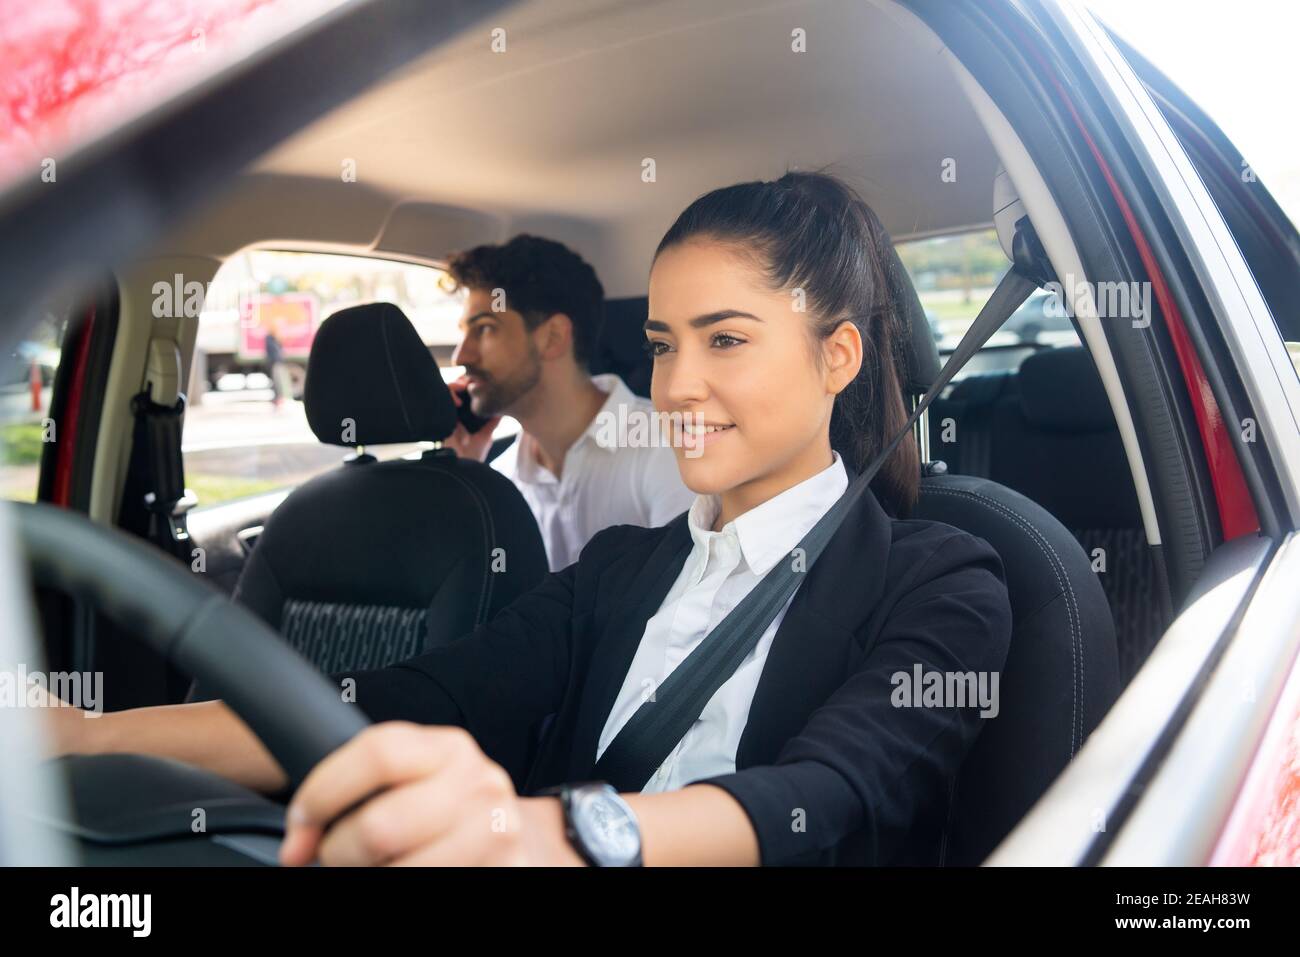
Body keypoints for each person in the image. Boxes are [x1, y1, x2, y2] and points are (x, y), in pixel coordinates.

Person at [46, 171, 1012, 866]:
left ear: (837, 356)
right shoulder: (621, 568)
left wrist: (546, 834)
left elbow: (832, 792)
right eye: (663, 342)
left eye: (727, 339)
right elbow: (412, 695)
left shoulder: (946, 578)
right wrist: (94, 737)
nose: (677, 384)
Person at [441, 235, 695, 570]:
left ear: (553, 337)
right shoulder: (499, 480)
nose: (462, 355)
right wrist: (467, 479)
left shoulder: (667, 447)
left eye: (485, 329)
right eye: (464, 332)